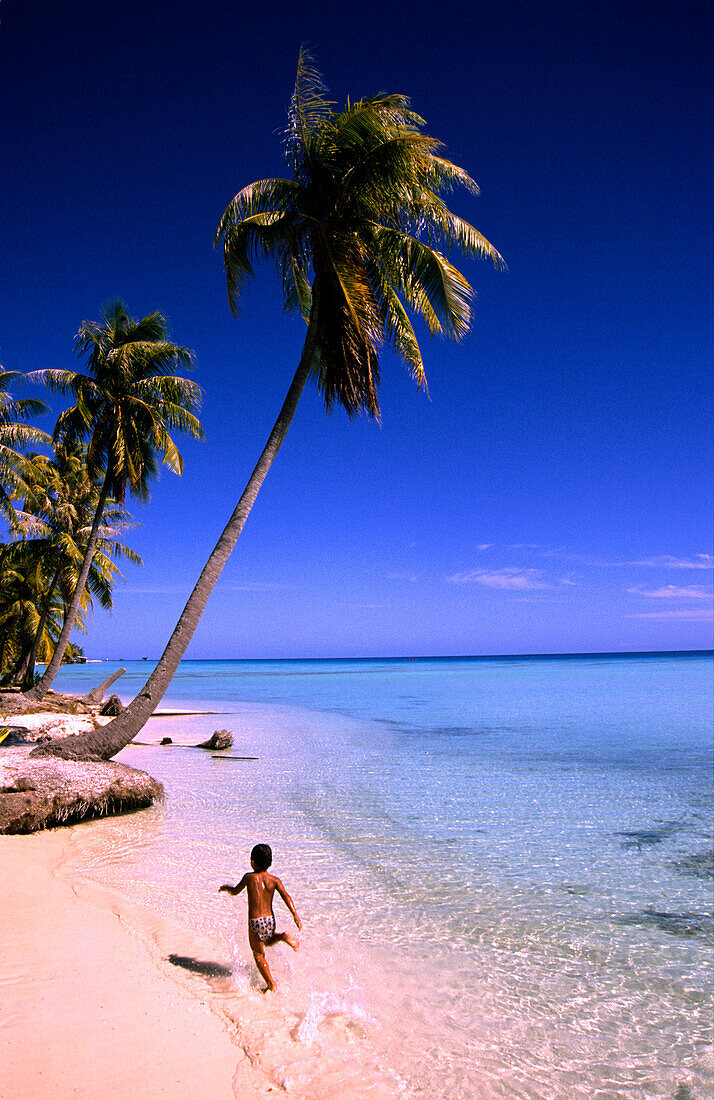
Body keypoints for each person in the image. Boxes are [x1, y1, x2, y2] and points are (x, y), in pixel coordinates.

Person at [219, 843, 301, 992]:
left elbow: (235, 891)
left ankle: (271, 985)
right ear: (269, 863)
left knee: (258, 955)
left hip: (255, 922)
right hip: (270, 920)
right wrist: (295, 914)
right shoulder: (274, 880)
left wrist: (226, 888)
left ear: (252, 862)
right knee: (268, 941)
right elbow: (286, 896)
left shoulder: (249, 877)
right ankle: (283, 936)